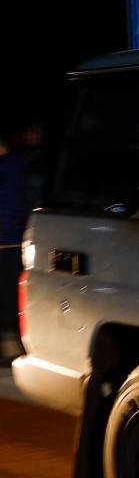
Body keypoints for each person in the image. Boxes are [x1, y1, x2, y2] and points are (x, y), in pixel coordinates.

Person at [0, 132, 27, 360]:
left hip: (9, 244)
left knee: (8, 299)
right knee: (9, 299)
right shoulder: (20, 168)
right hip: (12, 242)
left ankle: (12, 348)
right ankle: (11, 348)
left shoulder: (12, 170)